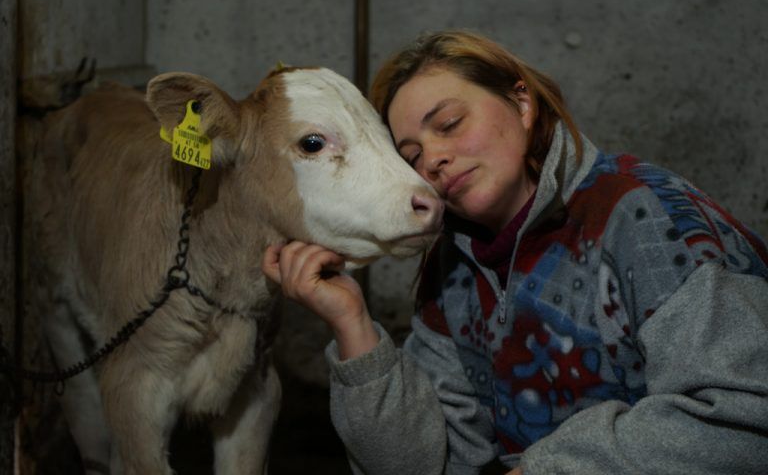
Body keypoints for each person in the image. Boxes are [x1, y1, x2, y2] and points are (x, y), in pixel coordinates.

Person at [262, 30, 768, 474]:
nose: (433, 158)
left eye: (450, 123)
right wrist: (354, 326)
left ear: (522, 105)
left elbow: (745, 414)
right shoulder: (453, 264)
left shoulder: (648, 216)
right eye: (411, 156)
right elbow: (419, 464)